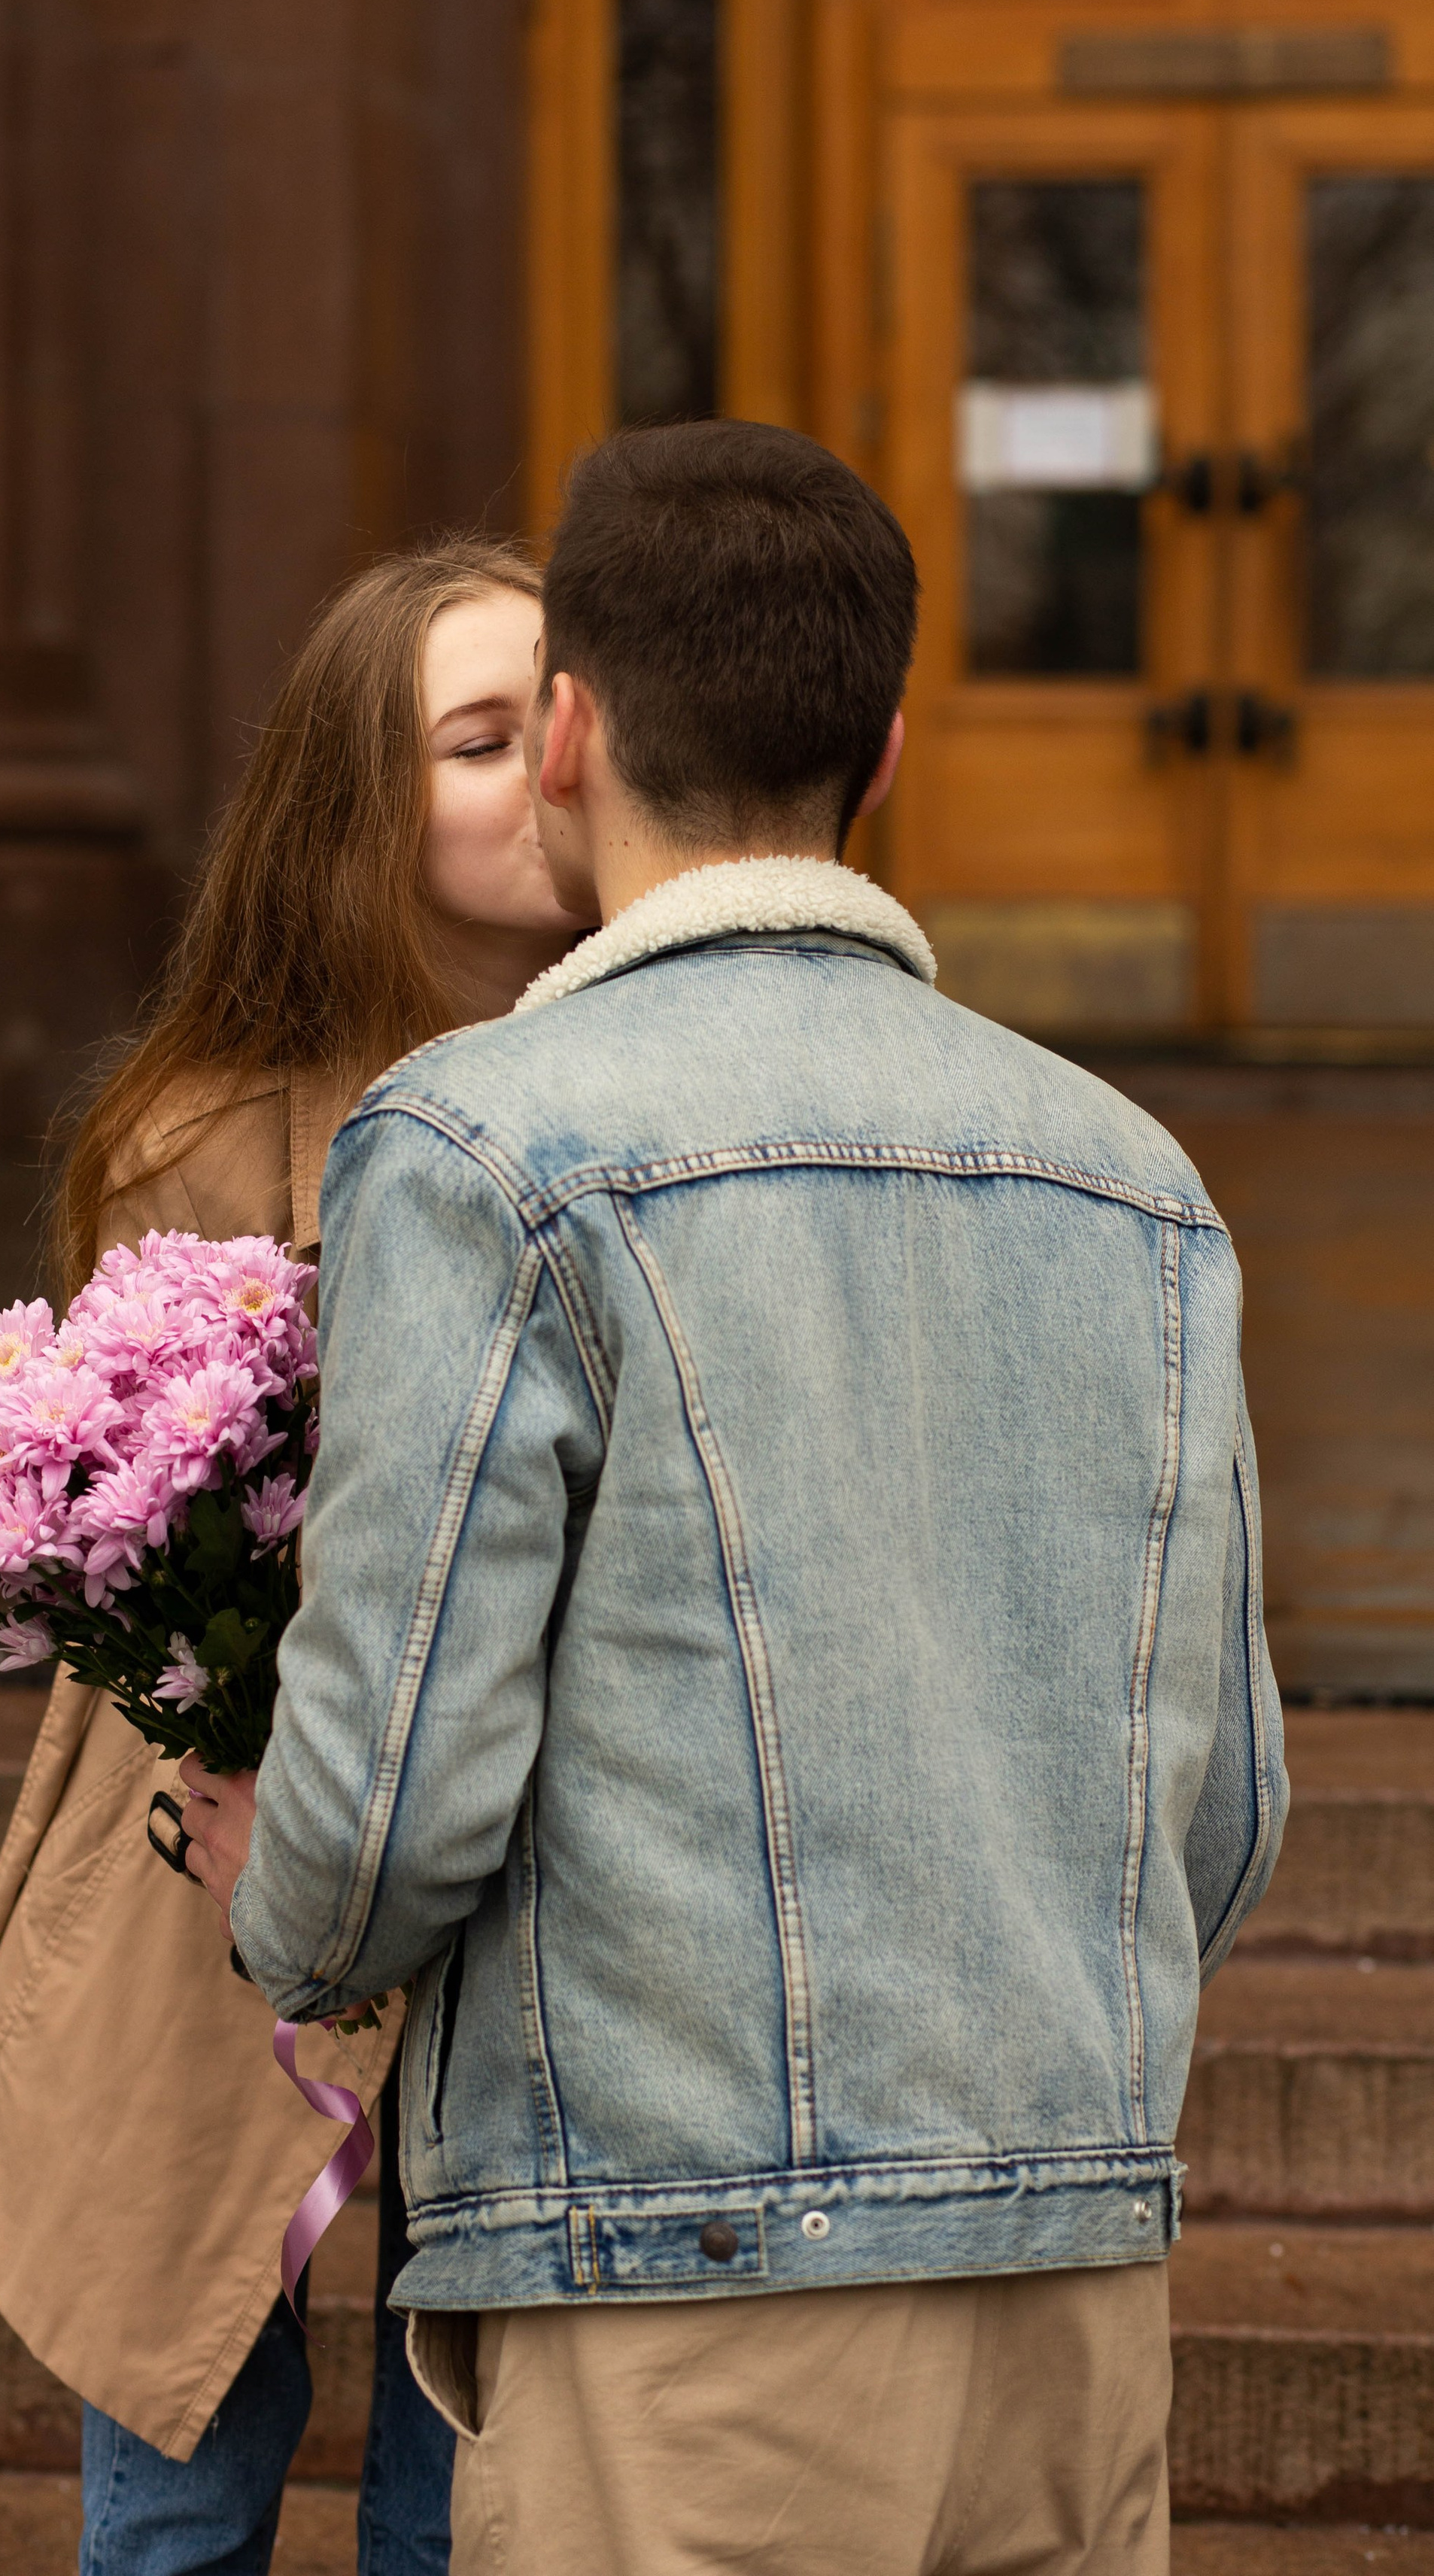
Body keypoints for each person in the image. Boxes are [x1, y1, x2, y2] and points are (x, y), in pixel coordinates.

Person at [181, 421, 1290, 2576]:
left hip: (676, 2278)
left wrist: (285, 1916)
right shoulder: (1138, 1174)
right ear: (884, 754)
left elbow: (393, 1789)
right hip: (1072, 2276)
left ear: (570, 733)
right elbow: (1224, 1800)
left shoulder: (487, 1145)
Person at [0, 533, 590, 2576]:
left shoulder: (652, 1099)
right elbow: (124, 1538)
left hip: (535, 1868)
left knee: (476, 2472)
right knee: (184, 2460)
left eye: (564, 719)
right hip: (215, 1880)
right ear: (357, 812)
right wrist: (250, 1760)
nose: (549, 770)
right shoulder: (196, 1136)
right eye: (479, 738)